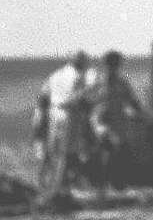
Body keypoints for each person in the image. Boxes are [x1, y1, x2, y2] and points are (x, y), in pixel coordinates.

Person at [33, 50, 96, 203]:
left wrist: (40, 121)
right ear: (81, 62)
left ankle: (47, 187)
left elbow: (43, 97)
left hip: (54, 114)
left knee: (54, 152)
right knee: (66, 154)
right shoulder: (80, 77)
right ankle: (58, 191)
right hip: (70, 115)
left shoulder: (56, 75)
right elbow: (83, 99)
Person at [86, 50, 147, 193]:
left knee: (120, 152)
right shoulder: (98, 82)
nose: (113, 68)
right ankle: (102, 184)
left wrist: (142, 113)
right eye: (111, 65)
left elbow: (132, 100)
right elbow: (87, 100)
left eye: (115, 65)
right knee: (106, 149)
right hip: (102, 122)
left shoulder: (122, 83)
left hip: (118, 123)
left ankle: (117, 184)